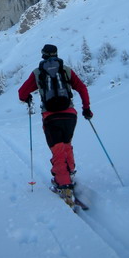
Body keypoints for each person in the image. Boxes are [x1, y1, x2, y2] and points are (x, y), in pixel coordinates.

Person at [18, 44, 93, 202]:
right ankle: (69, 173)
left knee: (57, 150)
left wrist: (27, 98)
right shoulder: (66, 70)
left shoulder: (38, 72)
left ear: (43, 55)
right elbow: (82, 88)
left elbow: (22, 93)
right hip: (70, 115)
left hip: (51, 117)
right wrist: (86, 108)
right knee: (66, 145)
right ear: (57, 54)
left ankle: (64, 187)